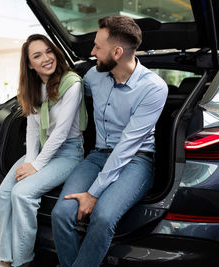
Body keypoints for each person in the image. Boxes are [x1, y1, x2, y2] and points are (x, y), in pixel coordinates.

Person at [51, 16, 168, 267]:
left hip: (137, 160)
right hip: (97, 156)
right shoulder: (94, 75)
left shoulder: (154, 88)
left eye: (97, 47)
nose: (92, 53)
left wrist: (93, 194)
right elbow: (73, 93)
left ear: (117, 52)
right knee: (61, 213)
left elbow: (128, 146)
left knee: (103, 217)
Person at [0, 34, 87, 267]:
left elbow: (61, 133)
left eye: (48, 51)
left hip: (68, 152)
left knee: (22, 193)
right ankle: (5, 259)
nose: (46, 58)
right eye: (37, 55)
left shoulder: (71, 83)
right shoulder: (35, 87)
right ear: (29, 65)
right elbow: (33, 131)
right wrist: (31, 160)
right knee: (4, 193)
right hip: (45, 151)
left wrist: (35, 166)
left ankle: (23, 261)